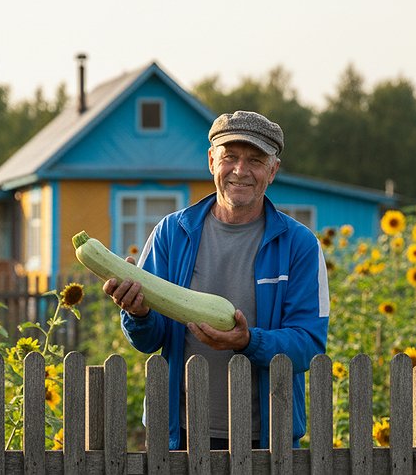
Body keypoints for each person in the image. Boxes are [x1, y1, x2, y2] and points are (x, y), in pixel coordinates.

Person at [104, 110, 330, 450]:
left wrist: (247, 341)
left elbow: (309, 344)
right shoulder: (171, 234)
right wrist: (137, 314)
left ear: (273, 170)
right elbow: (150, 340)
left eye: (255, 160)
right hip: (180, 436)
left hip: (267, 439)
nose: (240, 171)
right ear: (212, 161)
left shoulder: (299, 245)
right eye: (230, 158)